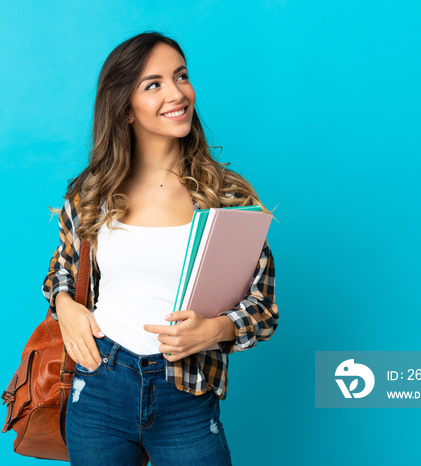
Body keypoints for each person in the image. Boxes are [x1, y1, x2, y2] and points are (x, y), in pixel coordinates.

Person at [42, 31, 279, 466]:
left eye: (181, 77)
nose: (177, 93)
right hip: (99, 384)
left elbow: (263, 309)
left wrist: (214, 330)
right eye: (153, 84)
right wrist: (66, 306)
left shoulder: (224, 198)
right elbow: (62, 271)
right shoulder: (92, 193)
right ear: (125, 109)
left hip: (185, 394)